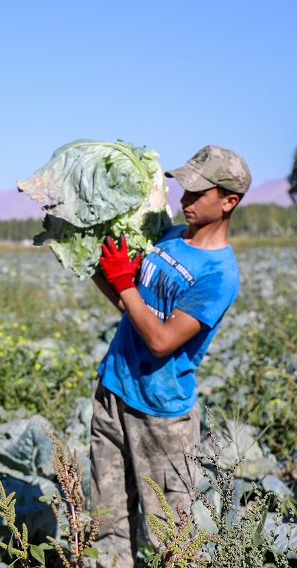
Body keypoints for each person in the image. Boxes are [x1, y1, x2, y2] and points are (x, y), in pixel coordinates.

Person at [88, 145, 251, 568]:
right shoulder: (172, 237)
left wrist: (124, 283)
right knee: (106, 524)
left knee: (172, 539)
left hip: (161, 416)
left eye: (199, 194)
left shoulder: (219, 275)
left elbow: (161, 341)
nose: (185, 200)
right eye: (185, 189)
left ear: (228, 201)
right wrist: (100, 271)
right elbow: (132, 309)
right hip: (113, 389)